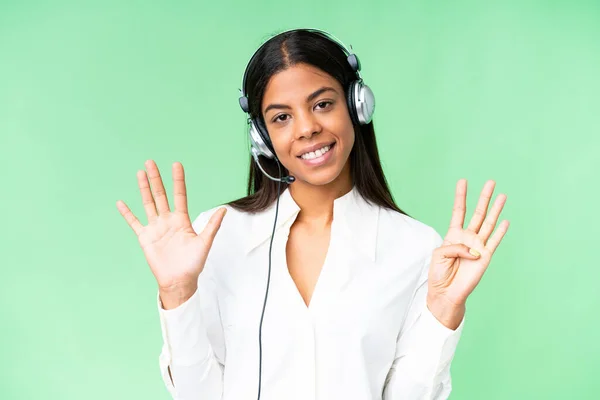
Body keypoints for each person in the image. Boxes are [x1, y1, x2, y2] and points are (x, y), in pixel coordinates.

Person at [116, 28, 509, 400]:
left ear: (357, 105)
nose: (306, 129)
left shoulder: (417, 248)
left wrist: (443, 310)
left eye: (322, 104)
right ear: (262, 137)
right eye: (281, 117)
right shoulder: (215, 236)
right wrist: (176, 293)